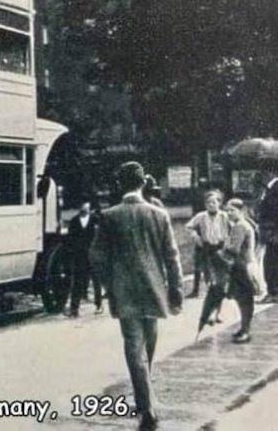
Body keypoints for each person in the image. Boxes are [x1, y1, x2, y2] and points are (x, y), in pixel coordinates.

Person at [90, 161, 183, 431]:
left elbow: (96, 257)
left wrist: (109, 283)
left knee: (134, 346)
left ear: (120, 185)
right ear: (143, 183)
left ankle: (146, 405)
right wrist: (176, 291)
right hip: (154, 288)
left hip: (124, 290)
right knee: (149, 342)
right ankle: (146, 399)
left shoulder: (109, 216)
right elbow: (173, 257)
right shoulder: (159, 214)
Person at [186, 190, 230, 323]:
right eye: (209, 202)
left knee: (221, 284)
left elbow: (234, 228)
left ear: (219, 203)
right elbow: (189, 227)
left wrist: (228, 242)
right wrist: (197, 238)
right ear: (205, 204)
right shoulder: (201, 216)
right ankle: (210, 312)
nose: (211, 205)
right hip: (207, 250)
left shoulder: (224, 216)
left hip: (221, 249)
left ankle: (217, 313)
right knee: (212, 282)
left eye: (214, 202)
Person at [221, 199, 257, 343]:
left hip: (241, 266)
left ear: (240, 210)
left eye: (232, 210)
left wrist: (223, 247)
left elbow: (233, 249)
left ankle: (246, 330)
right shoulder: (246, 224)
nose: (229, 213)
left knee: (244, 299)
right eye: (227, 210)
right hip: (246, 264)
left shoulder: (239, 227)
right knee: (244, 299)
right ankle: (244, 328)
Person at [66, 200, 103, 317]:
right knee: (77, 281)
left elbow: (100, 237)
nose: (84, 207)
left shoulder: (95, 220)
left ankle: (99, 304)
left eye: (86, 204)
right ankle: (74, 308)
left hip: (93, 255)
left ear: (89, 206)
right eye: (82, 205)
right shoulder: (74, 221)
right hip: (80, 255)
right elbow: (70, 239)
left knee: (96, 280)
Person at [256, 167, 278, 302]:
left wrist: (275, 232)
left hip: (274, 232)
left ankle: (273, 292)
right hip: (270, 230)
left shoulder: (276, 187)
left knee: (271, 261)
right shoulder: (270, 187)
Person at [188, 178, 210, 298]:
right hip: (208, 235)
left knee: (199, 264)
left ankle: (196, 289)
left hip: (200, 232)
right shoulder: (209, 196)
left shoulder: (196, 195)